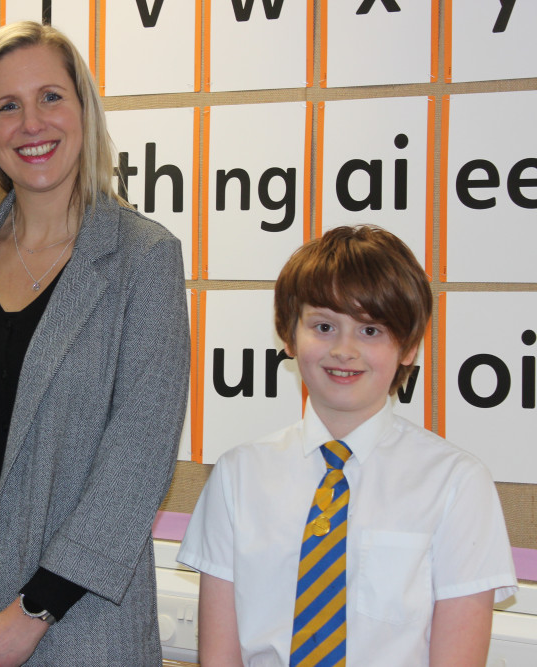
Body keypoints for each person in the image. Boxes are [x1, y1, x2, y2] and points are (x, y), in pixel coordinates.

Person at [0, 20, 191, 667]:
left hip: (80, 632)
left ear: (83, 111)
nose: (32, 123)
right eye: (7, 106)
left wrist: (33, 610)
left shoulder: (144, 258)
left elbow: (136, 460)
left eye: (51, 97)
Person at [178, 225, 518, 666]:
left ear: (410, 346)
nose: (344, 349)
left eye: (371, 331)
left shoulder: (457, 484)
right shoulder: (237, 475)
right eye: (323, 326)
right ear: (288, 335)